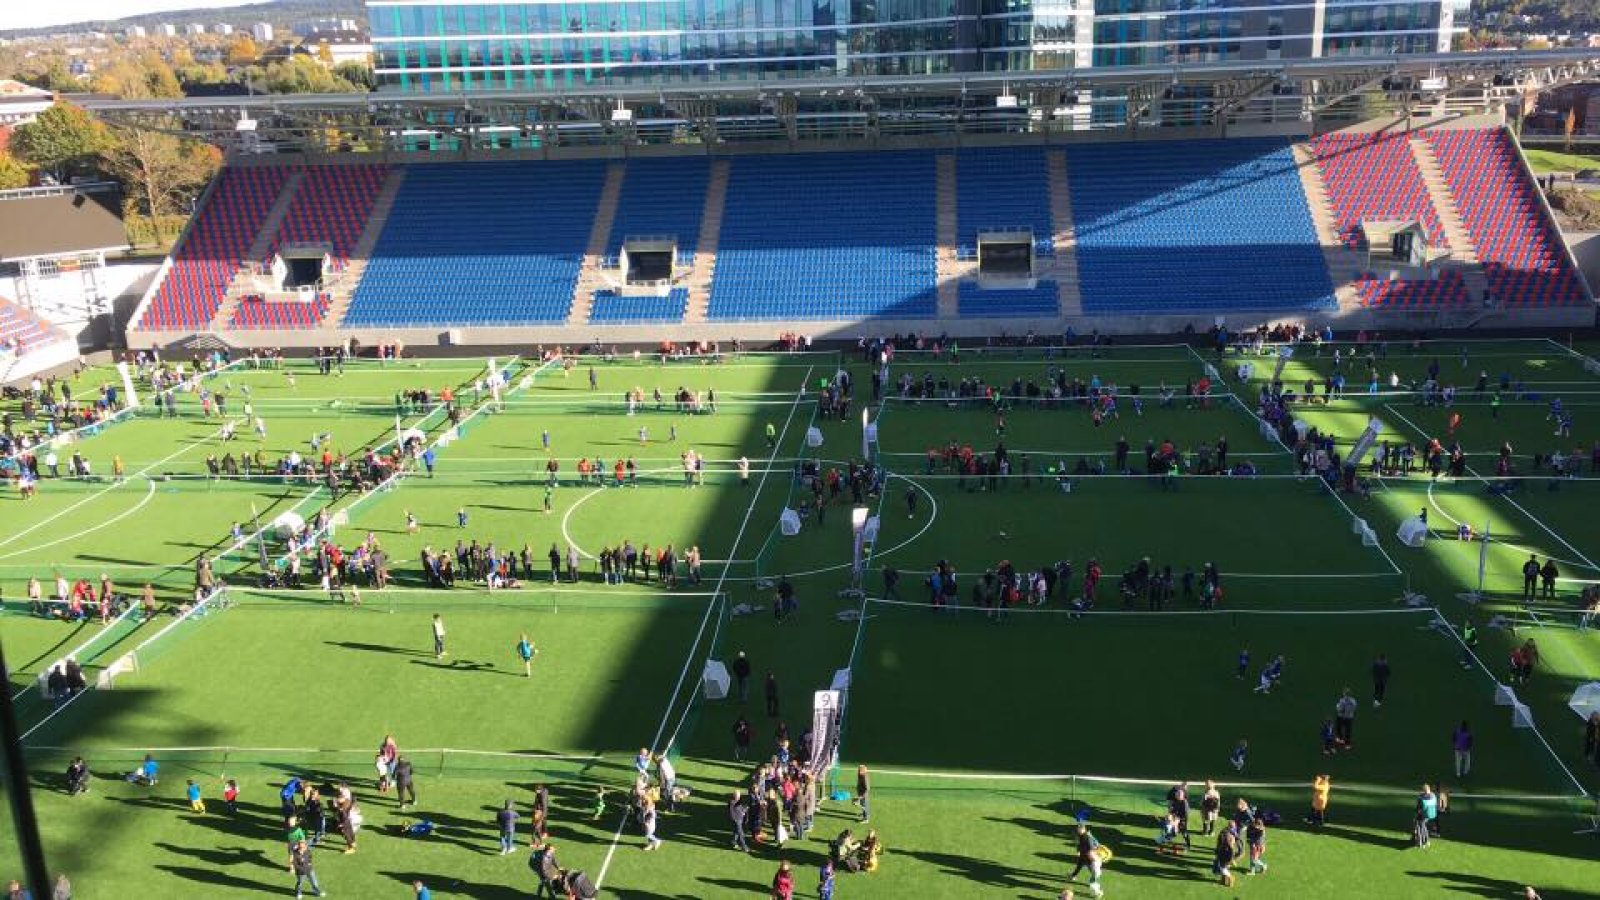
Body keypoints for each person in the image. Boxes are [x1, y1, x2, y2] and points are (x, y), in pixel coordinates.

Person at [1069, 823, 1105, 898]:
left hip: (1093, 865)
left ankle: (1098, 893)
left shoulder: (1088, 838)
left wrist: (1090, 854)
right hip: (1087, 859)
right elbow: (1080, 845)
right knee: (1080, 866)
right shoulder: (1081, 836)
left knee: (1092, 882)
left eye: (1080, 829)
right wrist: (1079, 851)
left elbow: (1095, 846)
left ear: (1084, 829)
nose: (1078, 830)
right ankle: (1073, 876)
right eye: (1078, 829)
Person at [1214, 820, 1240, 887]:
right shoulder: (1225, 833)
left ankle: (1230, 878)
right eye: (1232, 827)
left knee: (1222, 868)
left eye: (1233, 827)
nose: (1233, 828)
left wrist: (1232, 859)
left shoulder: (1228, 833)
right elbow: (1220, 841)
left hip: (1225, 854)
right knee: (1223, 867)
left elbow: (1234, 840)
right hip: (1224, 852)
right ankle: (1223, 880)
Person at [1414, 784, 1438, 848]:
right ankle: (1425, 841)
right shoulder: (1432, 795)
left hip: (1424, 814)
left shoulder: (1425, 796)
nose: (1425, 791)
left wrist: (1418, 812)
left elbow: (1420, 805)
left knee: (1422, 826)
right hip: (1428, 814)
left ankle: (1423, 842)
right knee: (1423, 826)